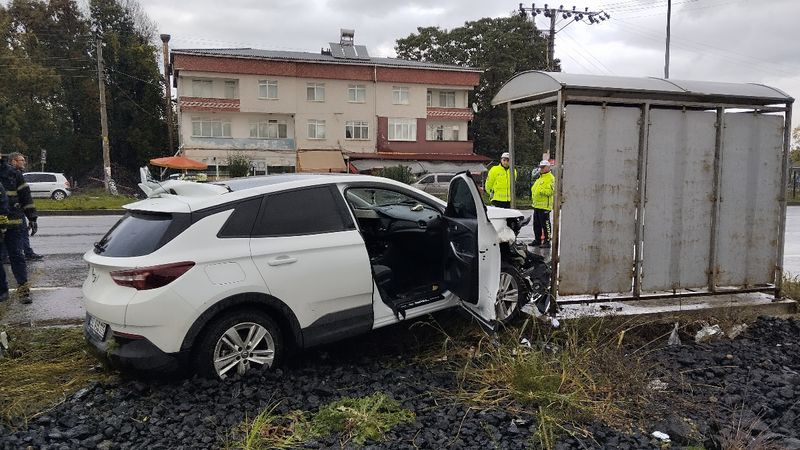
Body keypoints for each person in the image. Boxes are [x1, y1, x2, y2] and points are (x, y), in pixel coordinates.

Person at [0, 153, 38, 303]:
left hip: (13, 224)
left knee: (17, 256)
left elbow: (26, 197)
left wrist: (32, 218)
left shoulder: (13, 174)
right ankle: (2, 291)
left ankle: (23, 291)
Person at [8, 152, 42, 260]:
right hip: (13, 210)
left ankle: (27, 252)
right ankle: (22, 253)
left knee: (20, 231)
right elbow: (26, 197)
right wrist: (32, 217)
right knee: (17, 232)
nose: (24, 162)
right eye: (21, 160)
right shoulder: (14, 175)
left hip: (14, 209)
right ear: (13, 161)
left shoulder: (13, 174)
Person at [531, 160, 555, 248]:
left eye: (543, 167)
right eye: (540, 167)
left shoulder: (551, 178)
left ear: (548, 168)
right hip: (536, 205)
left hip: (545, 206)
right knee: (536, 224)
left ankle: (547, 241)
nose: (540, 169)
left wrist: (541, 191)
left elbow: (551, 191)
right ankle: (537, 240)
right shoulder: (540, 178)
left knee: (545, 225)